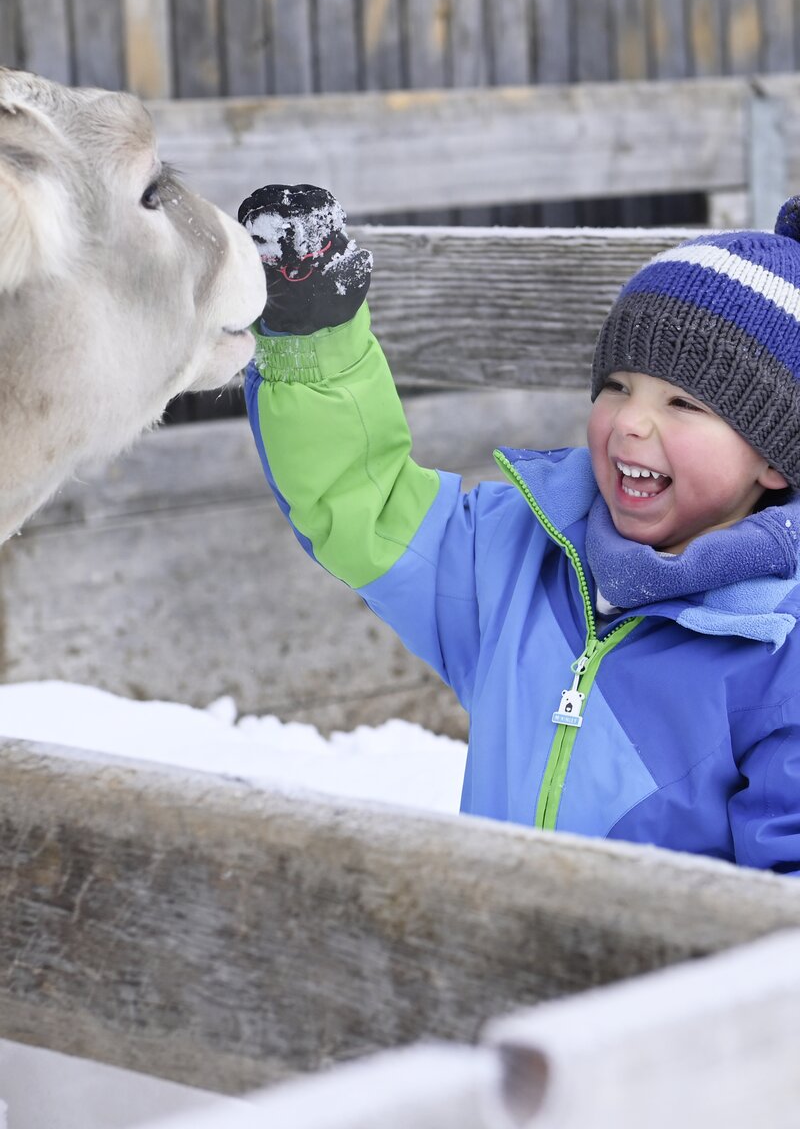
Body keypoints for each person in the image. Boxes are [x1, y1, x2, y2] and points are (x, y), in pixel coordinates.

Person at [238, 182, 800, 874]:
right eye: (618, 385)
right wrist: (313, 336)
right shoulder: (511, 559)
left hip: (665, 983)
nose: (631, 420)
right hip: (491, 963)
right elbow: (364, 503)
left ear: (773, 458)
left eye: (683, 403)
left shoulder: (781, 649)